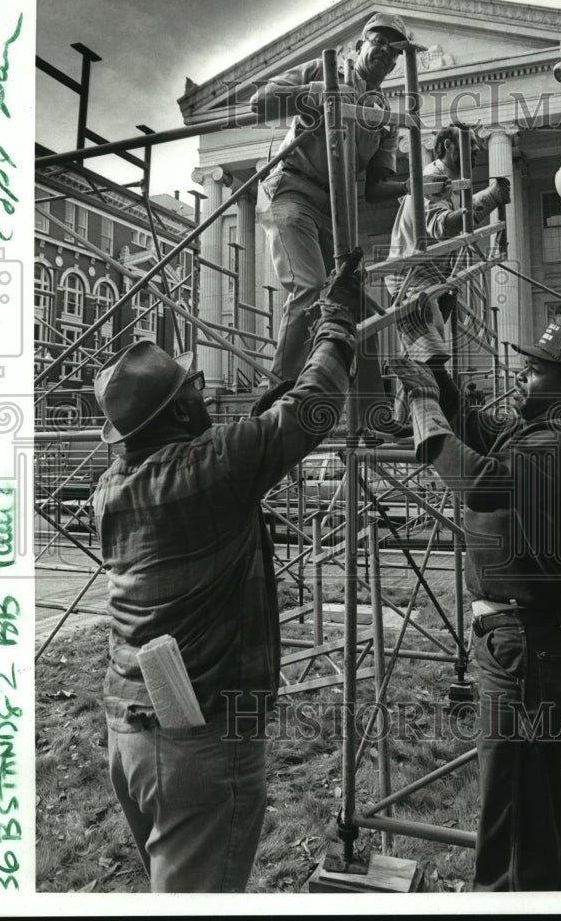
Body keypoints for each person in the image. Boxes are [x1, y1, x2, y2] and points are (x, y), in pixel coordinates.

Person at [91, 264, 363, 892]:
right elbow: (312, 409)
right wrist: (339, 318)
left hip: (130, 730)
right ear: (178, 413)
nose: (205, 394)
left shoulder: (114, 490)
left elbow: (213, 463)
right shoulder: (212, 466)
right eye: (193, 392)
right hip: (202, 743)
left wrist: (253, 432)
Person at [390, 322, 561, 891]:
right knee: (544, 815)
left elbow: (481, 484)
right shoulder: (532, 428)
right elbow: (472, 425)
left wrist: (423, 409)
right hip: (524, 647)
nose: (520, 374)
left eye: (535, 370)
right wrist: (432, 361)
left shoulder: (557, 441)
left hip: (526, 655)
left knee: (511, 842)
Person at [251, 12, 413, 438]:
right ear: (359, 46)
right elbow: (260, 102)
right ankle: (277, 400)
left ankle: (373, 417)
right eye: (379, 42)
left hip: (333, 212)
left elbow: (377, 187)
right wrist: (315, 94)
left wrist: (416, 184)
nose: (386, 54)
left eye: (395, 52)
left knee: (363, 310)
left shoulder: (383, 116)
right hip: (290, 192)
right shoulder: (326, 71)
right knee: (310, 288)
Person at [384, 123, 509, 426]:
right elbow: (441, 225)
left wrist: (488, 198)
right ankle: (452, 419)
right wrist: (489, 199)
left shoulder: (450, 183)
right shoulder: (433, 178)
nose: (478, 152)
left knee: (419, 355)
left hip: (433, 279)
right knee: (432, 354)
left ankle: (400, 421)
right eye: (472, 147)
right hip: (412, 280)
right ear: (449, 147)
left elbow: (451, 217)